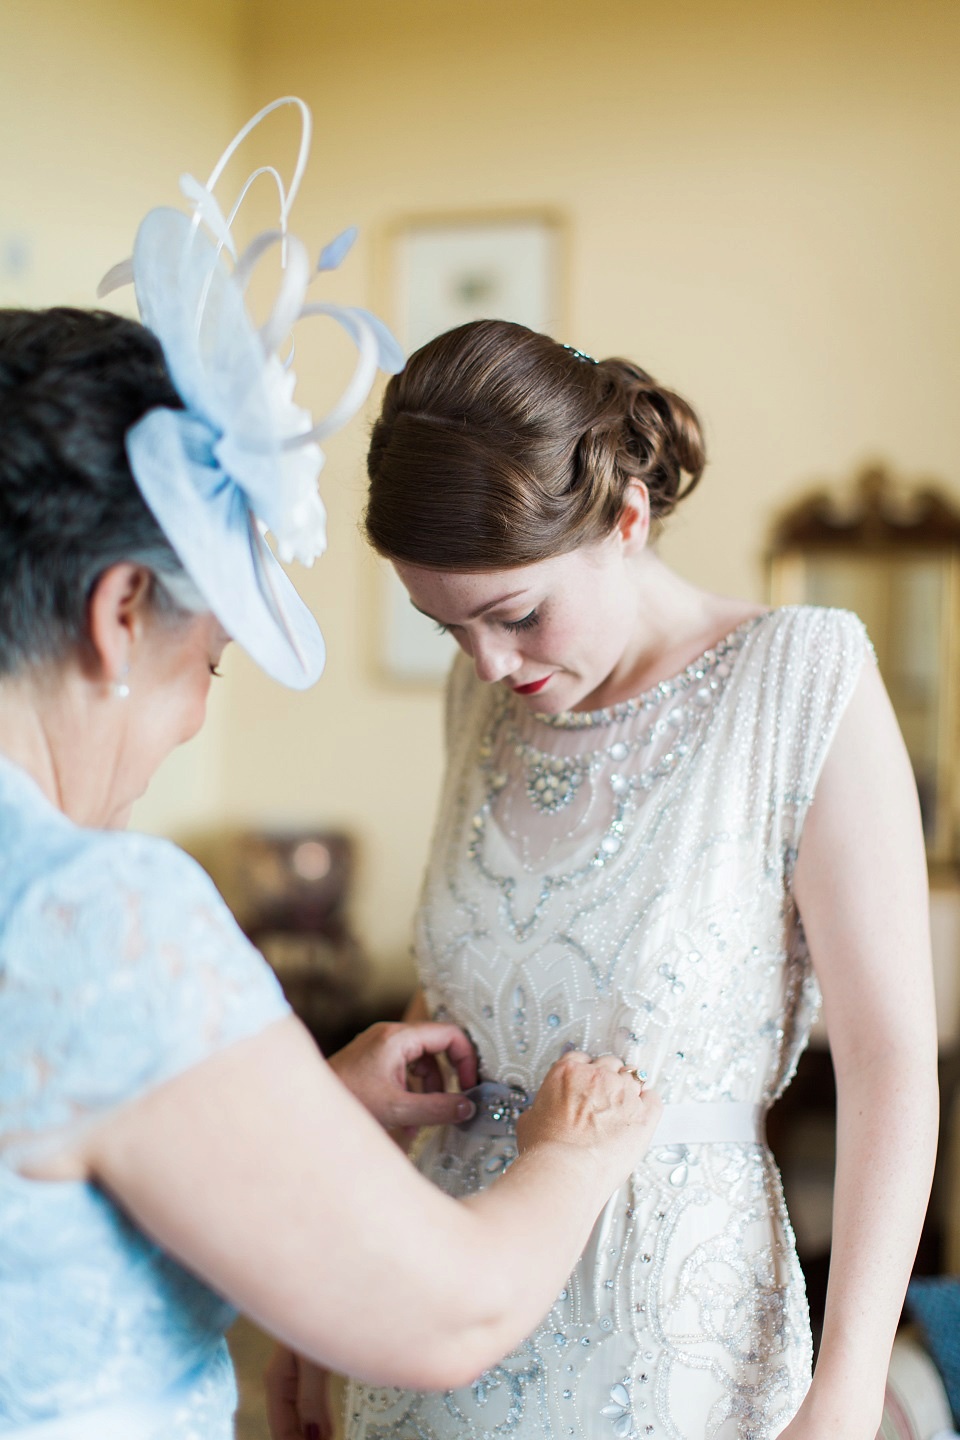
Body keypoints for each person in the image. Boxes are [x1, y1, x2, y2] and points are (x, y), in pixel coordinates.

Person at [0, 109, 663, 1440]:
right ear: (122, 613)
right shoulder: (95, 914)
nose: (194, 714)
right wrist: (572, 1156)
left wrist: (311, 1104)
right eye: (214, 664)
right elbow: (451, 1312)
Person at [281, 320, 939, 1440]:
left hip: (673, 1339)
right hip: (433, 1305)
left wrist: (842, 1396)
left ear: (627, 521)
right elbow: (452, 1019)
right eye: (448, 629)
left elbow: (891, 1069)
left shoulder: (798, 677)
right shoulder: (481, 700)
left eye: (517, 614)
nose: (490, 665)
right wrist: (315, 1302)